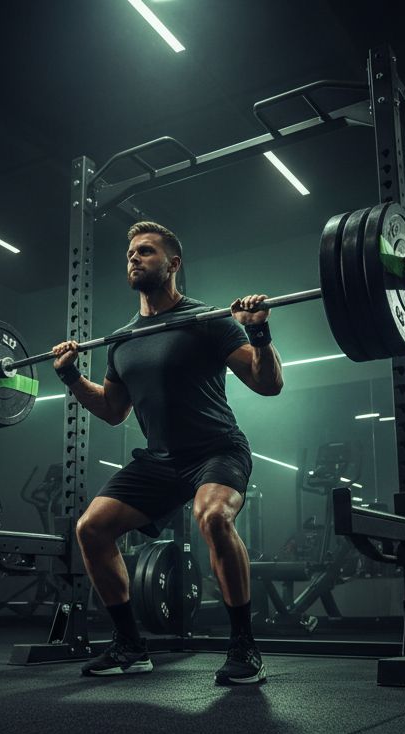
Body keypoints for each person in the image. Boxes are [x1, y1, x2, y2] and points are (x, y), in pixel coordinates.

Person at [50, 221, 282, 685]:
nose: (134, 258)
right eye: (131, 253)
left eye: (146, 252)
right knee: (91, 529)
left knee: (213, 516)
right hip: (160, 460)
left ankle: (243, 647)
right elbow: (113, 410)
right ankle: (130, 646)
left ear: (173, 264)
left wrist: (258, 334)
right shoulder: (121, 340)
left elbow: (268, 384)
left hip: (216, 448)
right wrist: (72, 378)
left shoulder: (208, 320)